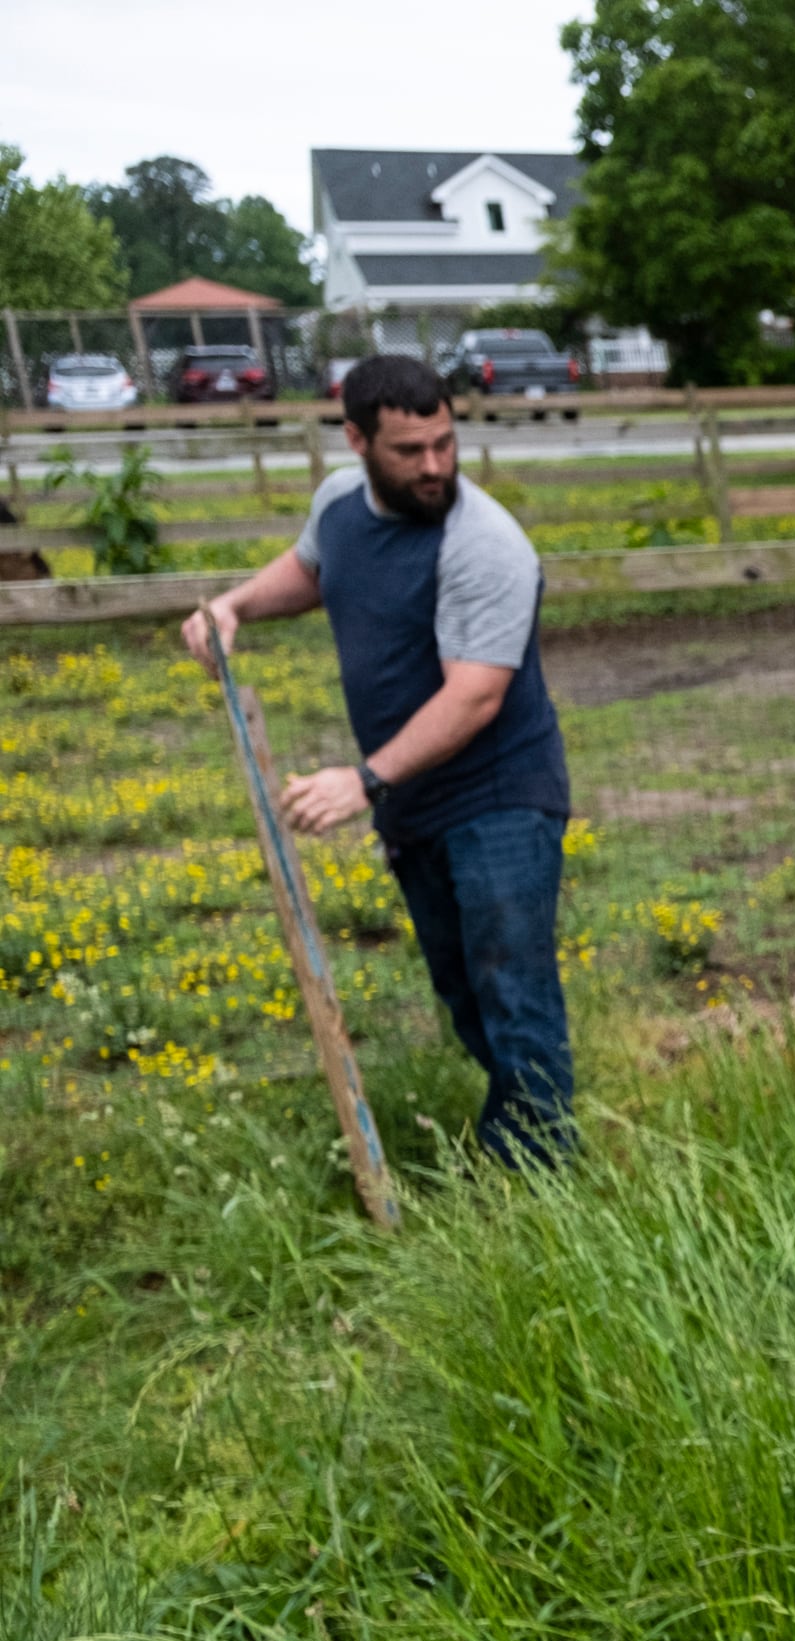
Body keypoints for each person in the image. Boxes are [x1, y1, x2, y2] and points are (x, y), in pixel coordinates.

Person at [183, 353, 577, 1164]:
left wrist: (361, 781)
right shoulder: (339, 505)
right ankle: (523, 1143)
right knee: (465, 990)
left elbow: (476, 696)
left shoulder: (486, 544)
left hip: (500, 794)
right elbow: (311, 570)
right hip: (417, 801)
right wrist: (233, 606)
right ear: (356, 439)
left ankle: (539, 1175)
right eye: (410, 451)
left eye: (444, 443)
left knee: (513, 986)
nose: (435, 466)